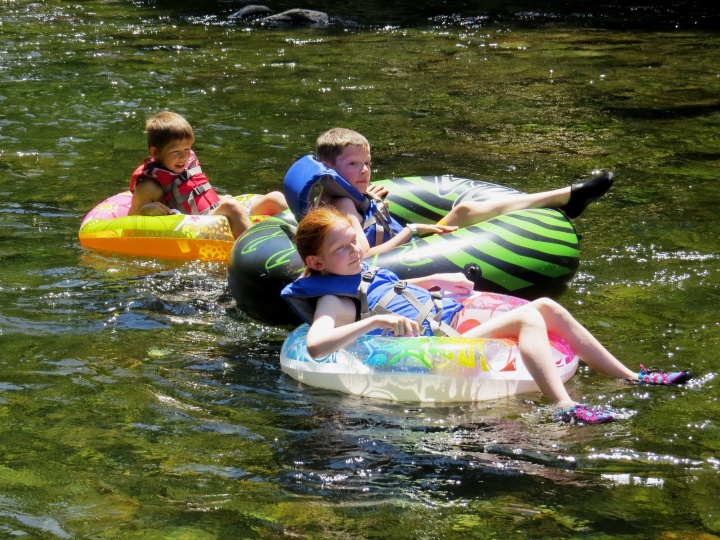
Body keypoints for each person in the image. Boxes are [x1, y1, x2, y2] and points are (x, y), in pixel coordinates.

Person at [281, 206, 693, 424]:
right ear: (316, 263)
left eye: (355, 242)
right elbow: (317, 346)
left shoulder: (357, 271)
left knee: (546, 305)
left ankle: (632, 377)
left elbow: (389, 292)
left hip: (445, 325)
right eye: (342, 249)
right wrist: (375, 322)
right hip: (434, 349)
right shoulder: (335, 299)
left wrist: (433, 280)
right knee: (531, 318)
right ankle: (565, 408)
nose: (355, 251)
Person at [308, 127, 614, 256]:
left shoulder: (347, 196)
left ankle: (563, 201)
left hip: (404, 241)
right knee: (464, 212)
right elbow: (365, 256)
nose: (364, 170)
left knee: (466, 211)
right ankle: (565, 198)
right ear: (327, 166)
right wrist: (412, 231)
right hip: (405, 252)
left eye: (367, 163)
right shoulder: (342, 207)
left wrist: (366, 199)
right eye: (353, 164)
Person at [128, 111, 288, 239]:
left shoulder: (184, 163)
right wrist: (145, 211)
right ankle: (257, 252)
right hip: (198, 225)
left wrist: (218, 201)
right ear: (155, 152)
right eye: (175, 151)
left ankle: (306, 238)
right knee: (231, 207)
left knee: (275, 198)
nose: (183, 157)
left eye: (187, 149)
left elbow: (194, 192)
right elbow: (128, 223)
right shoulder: (150, 186)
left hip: (214, 211)